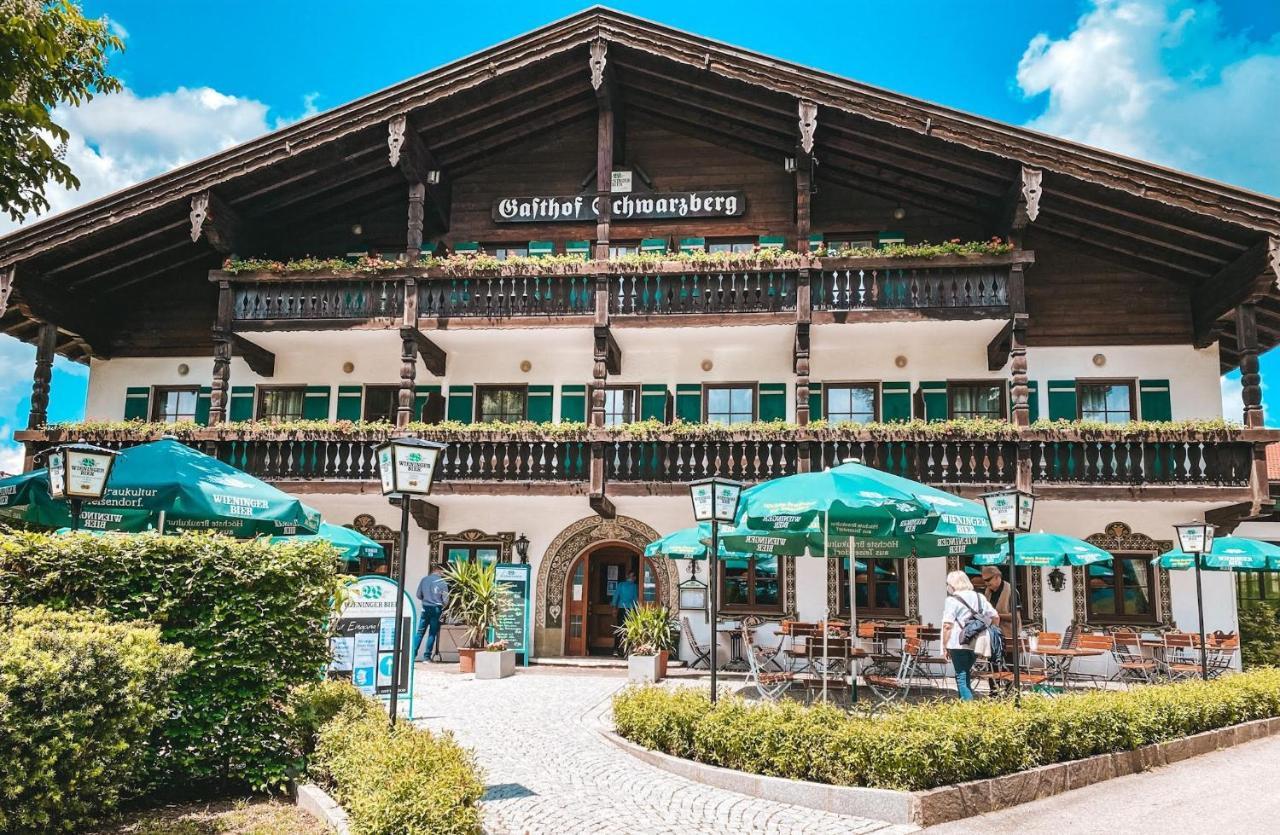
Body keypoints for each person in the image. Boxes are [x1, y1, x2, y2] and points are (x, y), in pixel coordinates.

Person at [941, 569, 999, 701]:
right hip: (976, 641)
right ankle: (965, 706)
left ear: (953, 584)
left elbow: (947, 625)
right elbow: (995, 616)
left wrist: (945, 645)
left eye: (948, 583)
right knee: (965, 673)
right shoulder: (980, 597)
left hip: (957, 642)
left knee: (961, 676)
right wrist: (992, 630)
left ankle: (968, 708)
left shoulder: (952, 600)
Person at [413, 563, 449, 662]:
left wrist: (426, 600)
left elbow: (418, 595)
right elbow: (446, 600)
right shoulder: (442, 582)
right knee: (432, 633)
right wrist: (441, 606)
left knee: (420, 632)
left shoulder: (424, 580)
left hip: (425, 608)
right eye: (443, 572)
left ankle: (412, 655)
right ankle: (427, 657)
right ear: (440, 571)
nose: (444, 574)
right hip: (436, 608)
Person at [611, 570, 640, 655]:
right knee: (629, 630)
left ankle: (616, 650)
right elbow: (635, 599)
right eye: (632, 576)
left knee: (620, 629)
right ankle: (628, 650)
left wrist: (614, 608)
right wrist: (638, 610)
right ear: (634, 577)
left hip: (622, 609)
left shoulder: (621, 585)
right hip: (630, 610)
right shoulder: (634, 586)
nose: (632, 578)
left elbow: (615, 597)